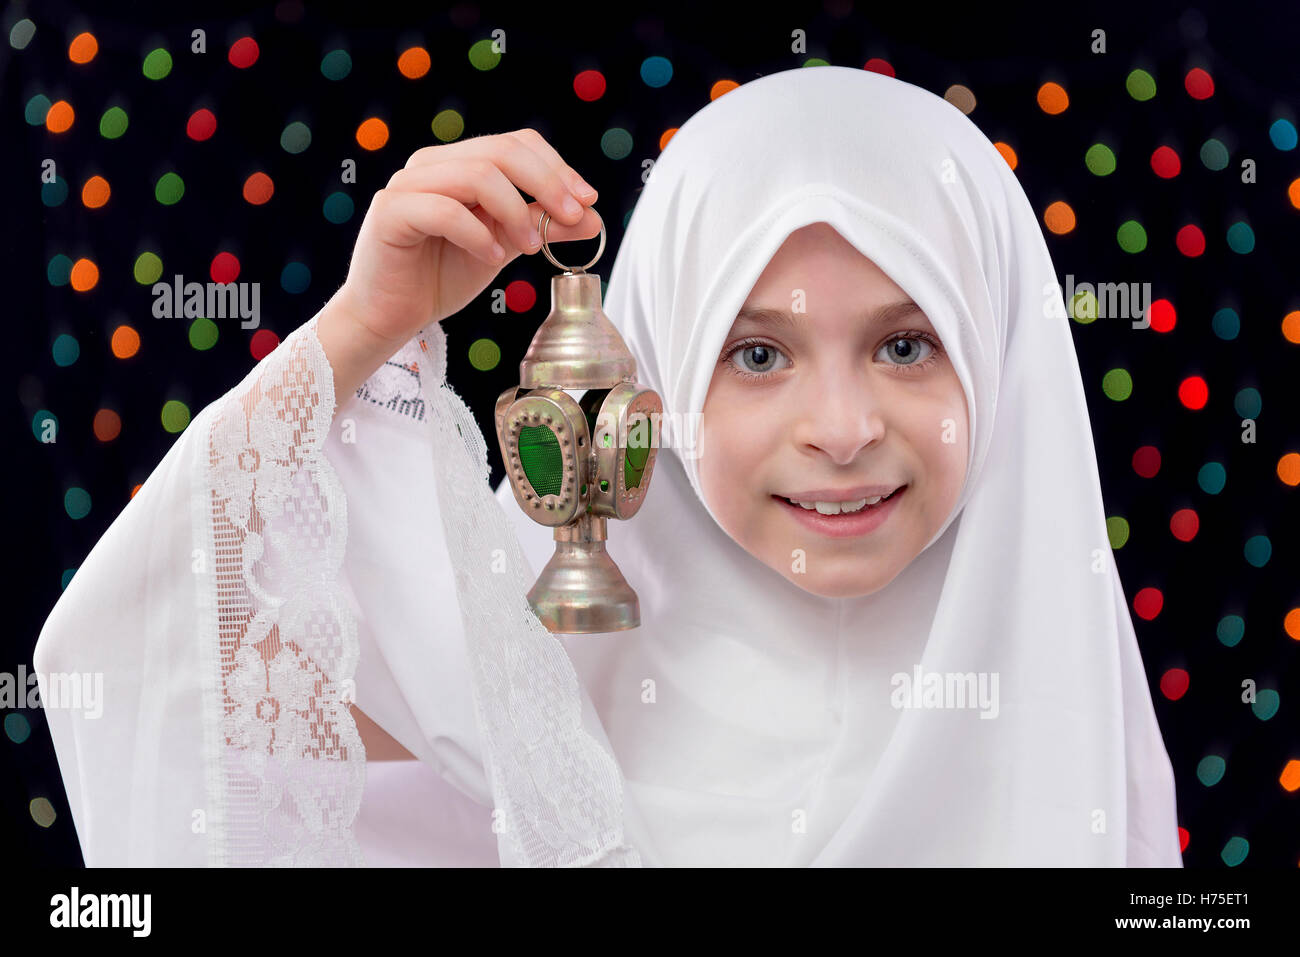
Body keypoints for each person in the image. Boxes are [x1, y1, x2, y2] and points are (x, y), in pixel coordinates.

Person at [33, 65, 1182, 867]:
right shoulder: (529, 682)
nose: (840, 427)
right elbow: (145, 666)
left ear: (999, 361)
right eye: (758, 351)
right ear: (663, 377)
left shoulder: (1078, 738)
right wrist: (360, 329)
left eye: (904, 344)